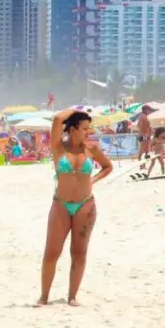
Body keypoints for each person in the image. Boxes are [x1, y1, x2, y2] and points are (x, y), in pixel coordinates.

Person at [38, 109, 112, 306]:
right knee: (52, 252)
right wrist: (77, 109)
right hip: (61, 204)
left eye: (90, 128)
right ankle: (44, 297)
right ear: (72, 129)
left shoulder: (91, 149)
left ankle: (72, 297)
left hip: (85, 205)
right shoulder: (58, 148)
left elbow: (108, 166)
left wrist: (93, 179)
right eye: (85, 128)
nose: (89, 132)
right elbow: (56, 119)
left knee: (79, 253)